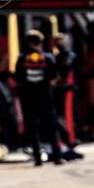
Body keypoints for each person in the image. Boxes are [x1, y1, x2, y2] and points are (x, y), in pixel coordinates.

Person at [13, 29, 65, 166]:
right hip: (46, 97)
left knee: (33, 128)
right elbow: (54, 78)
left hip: (28, 98)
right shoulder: (48, 58)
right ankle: (58, 157)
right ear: (40, 42)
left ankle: (37, 158)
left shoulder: (22, 58)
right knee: (52, 128)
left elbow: (17, 78)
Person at [51, 33, 83, 160]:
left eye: (59, 41)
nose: (57, 44)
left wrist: (56, 80)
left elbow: (65, 70)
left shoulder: (69, 55)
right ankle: (67, 139)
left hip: (68, 88)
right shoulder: (58, 56)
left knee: (68, 116)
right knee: (61, 116)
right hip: (60, 89)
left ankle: (71, 140)